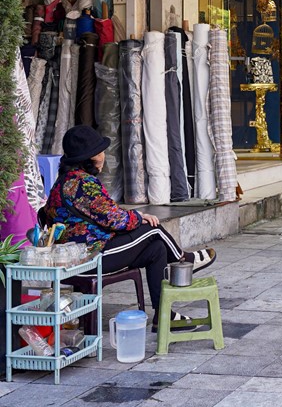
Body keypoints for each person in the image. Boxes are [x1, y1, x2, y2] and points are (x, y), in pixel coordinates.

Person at [44, 125, 216, 331]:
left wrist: (136, 216)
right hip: (88, 257)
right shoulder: (84, 183)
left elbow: (106, 212)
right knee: (153, 229)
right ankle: (184, 260)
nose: (103, 156)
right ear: (90, 157)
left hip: (78, 255)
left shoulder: (65, 181)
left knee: (156, 250)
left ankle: (164, 315)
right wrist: (138, 217)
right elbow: (115, 220)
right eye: (100, 152)